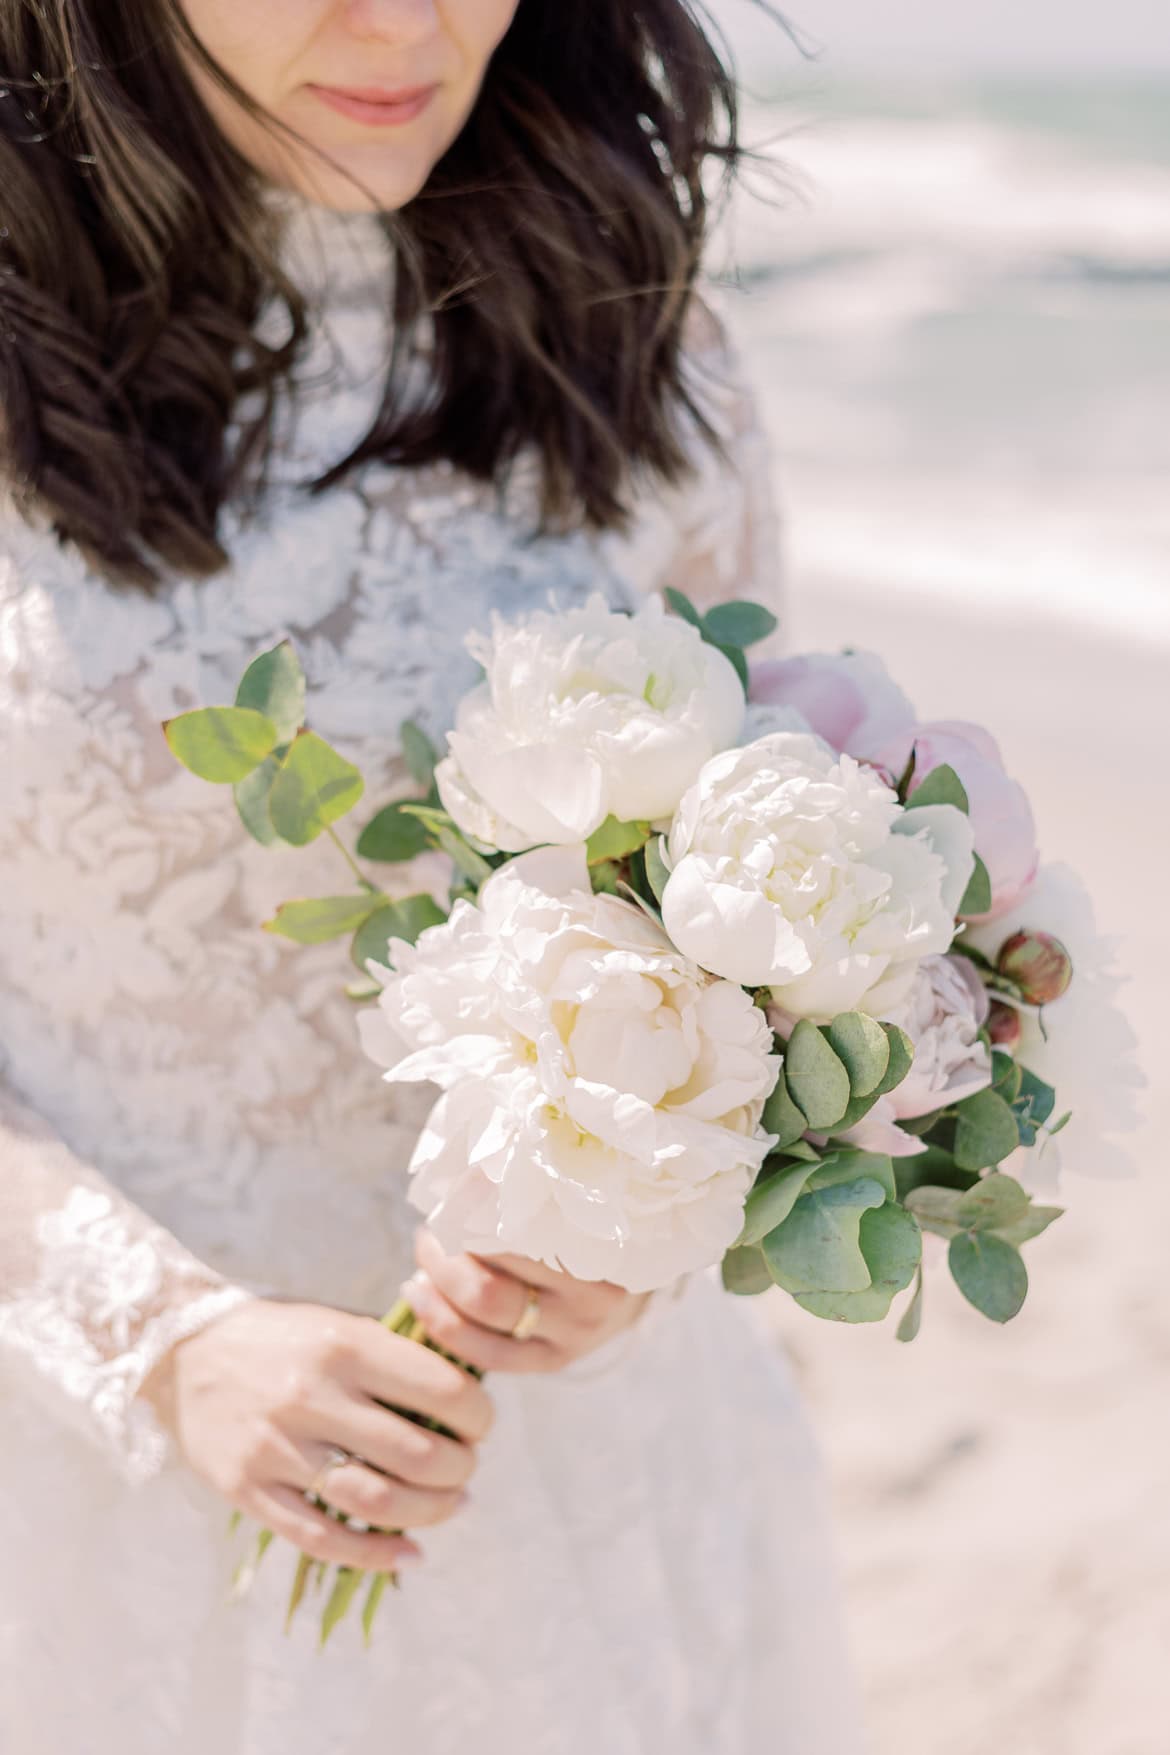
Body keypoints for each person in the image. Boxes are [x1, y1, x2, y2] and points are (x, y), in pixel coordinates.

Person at [0, 3, 867, 1751]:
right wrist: (162, 1340)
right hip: (89, 1462)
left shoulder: (647, 350)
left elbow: (754, 921)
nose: (403, 20)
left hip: (598, 1476)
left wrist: (653, 1220)